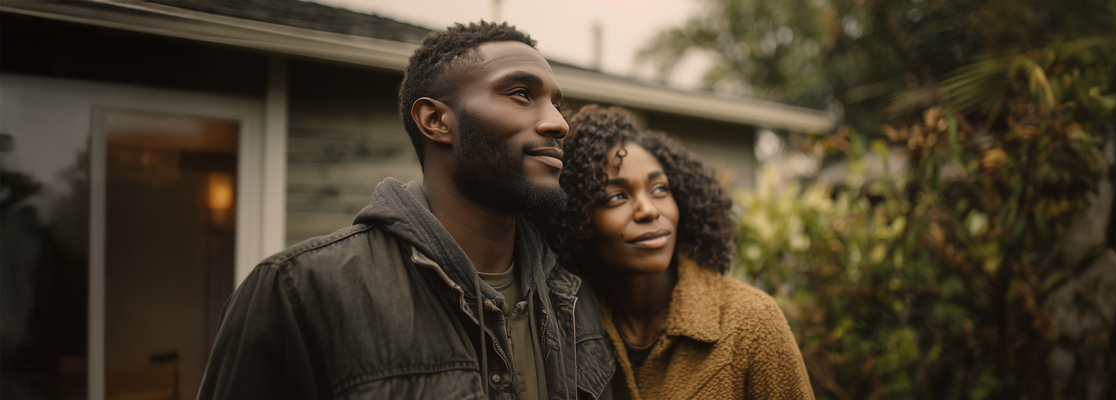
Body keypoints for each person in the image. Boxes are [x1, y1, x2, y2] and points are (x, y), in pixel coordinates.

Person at [197, 22, 614, 400]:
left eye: (556, 104)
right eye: (521, 94)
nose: (559, 123)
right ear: (435, 120)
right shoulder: (297, 292)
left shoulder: (575, 297)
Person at [530, 105, 814, 400]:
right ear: (575, 219)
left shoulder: (752, 322)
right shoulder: (567, 328)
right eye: (616, 196)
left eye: (659, 189)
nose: (649, 210)